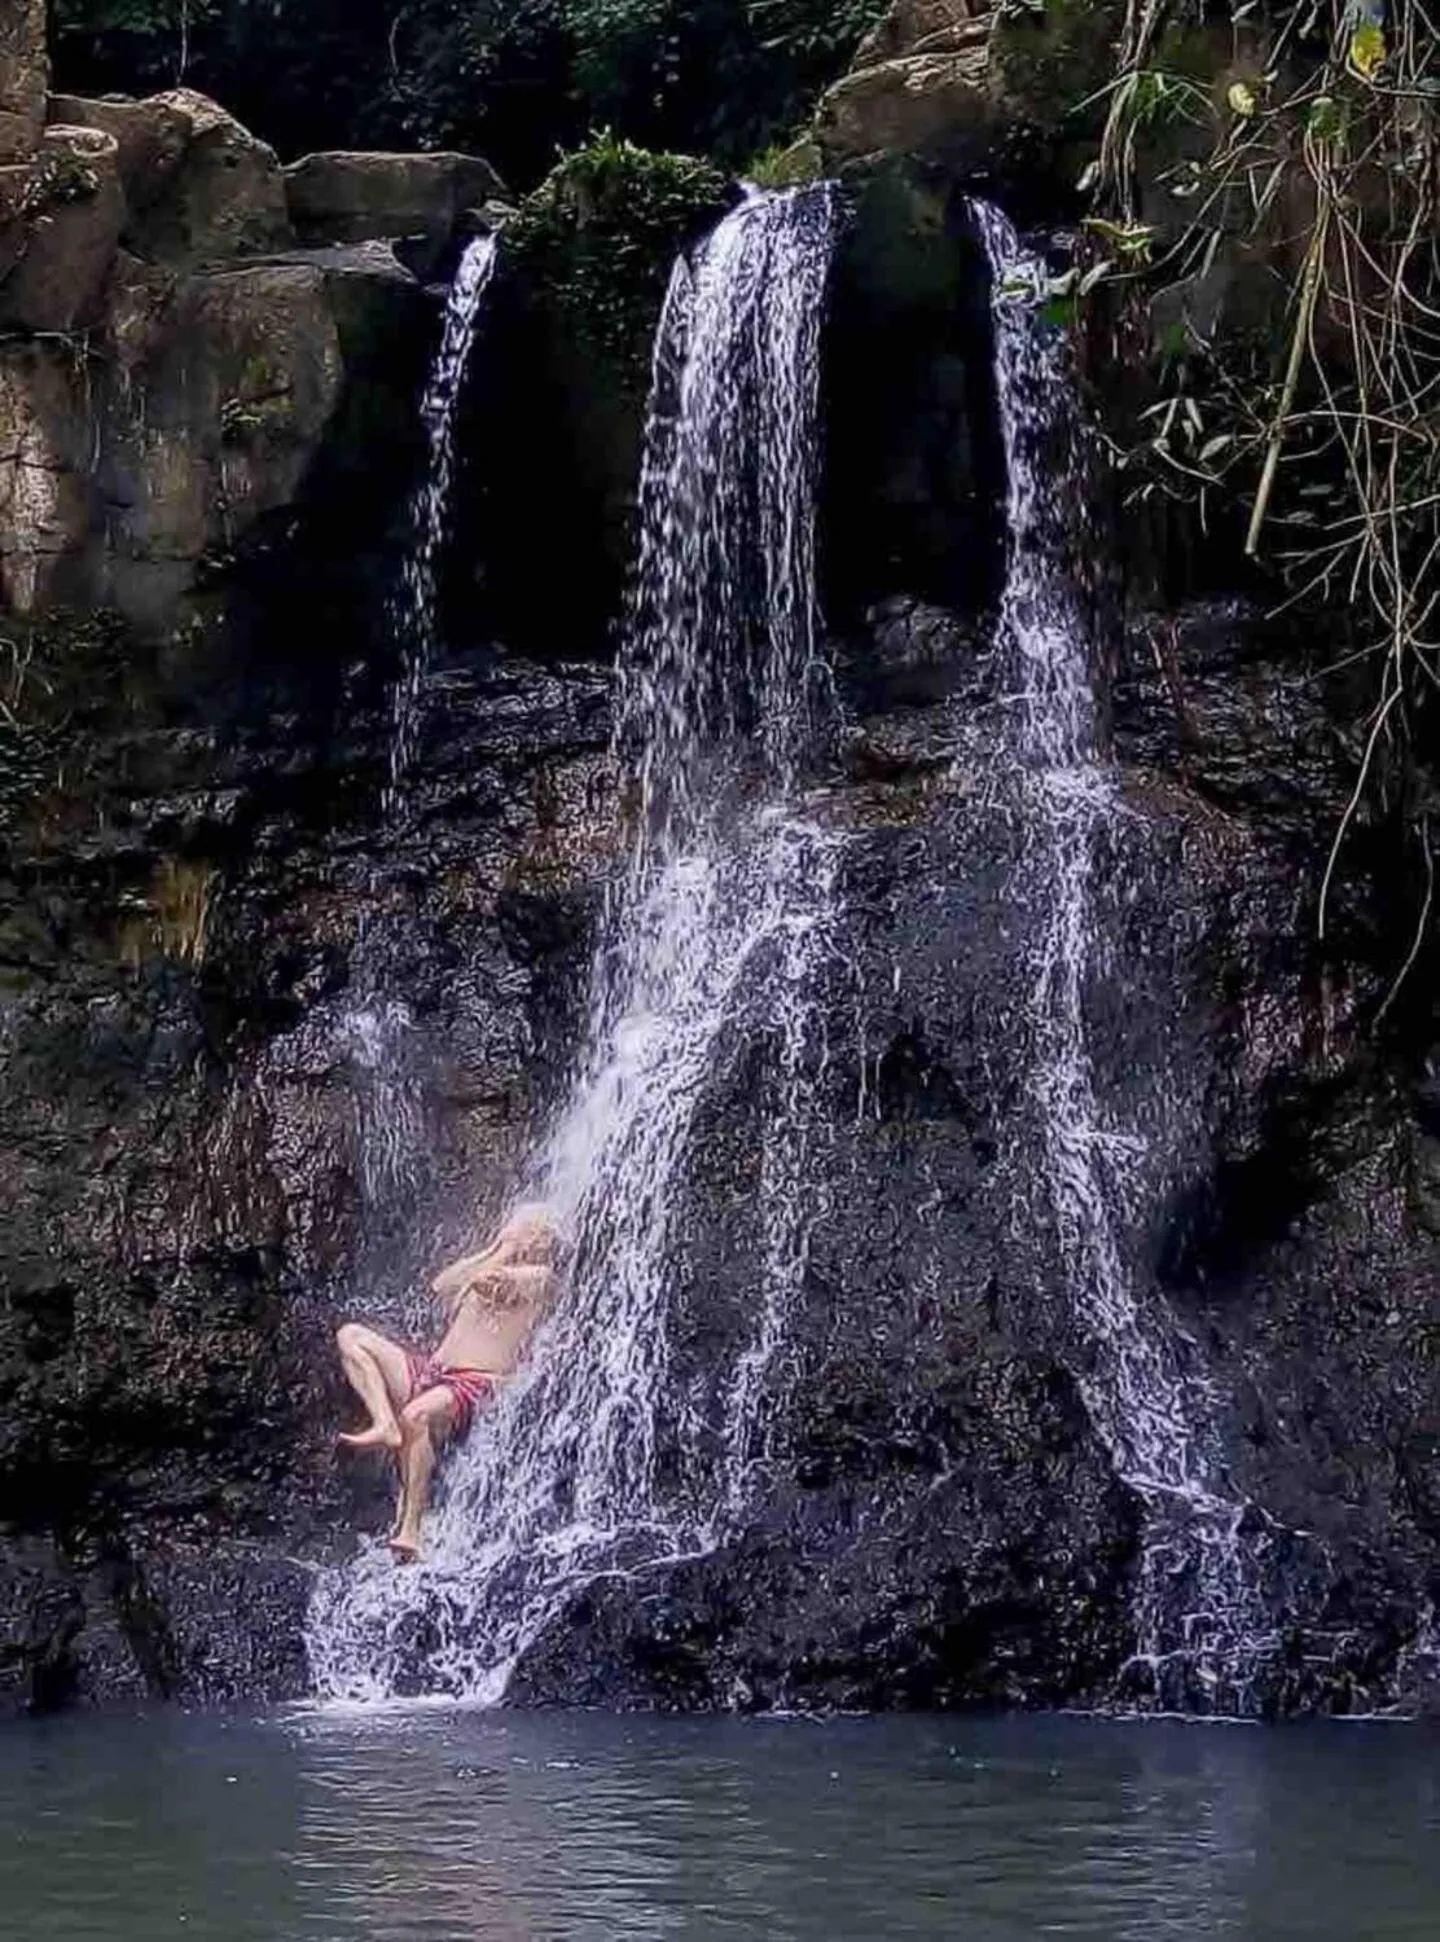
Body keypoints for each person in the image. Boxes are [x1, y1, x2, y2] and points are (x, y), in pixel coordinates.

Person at [334, 1204, 560, 1563]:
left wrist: (501, 1254)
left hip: (476, 1382)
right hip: (435, 1371)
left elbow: (496, 1282)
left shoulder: (541, 1277)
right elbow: (442, 1285)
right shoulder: (492, 1263)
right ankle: (383, 1422)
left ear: (540, 1239)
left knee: (417, 1415)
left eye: (522, 1228)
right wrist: (496, 1249)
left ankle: (410, 1529)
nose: (511, 1231)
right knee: (351, 1336)